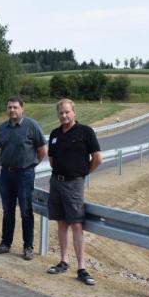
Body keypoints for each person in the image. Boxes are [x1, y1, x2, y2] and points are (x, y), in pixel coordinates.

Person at [46, 99, 103, 286]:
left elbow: (97, 158)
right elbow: (52, 159)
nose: (64, 115)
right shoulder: (54, 134)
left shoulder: (85, 132)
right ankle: (64, 261)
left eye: (67, 112)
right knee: (61, 223)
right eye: (61, 113)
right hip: (56, 183)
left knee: (76, 224)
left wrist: (82, 173)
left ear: (74, 113)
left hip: (74, 184)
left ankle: (81, 267)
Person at [0, 96, 47, 260]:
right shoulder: (2, 128)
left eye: (15, 107)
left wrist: (31, 165)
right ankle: (5, 243)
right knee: (8, 210)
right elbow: (2, 148)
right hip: (6, 174)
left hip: (25, 174)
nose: (12, 110)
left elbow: (42, 149)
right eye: (9, 107)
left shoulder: (32, 126)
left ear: (22, 108)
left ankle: (27, 246)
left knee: (25, 211)